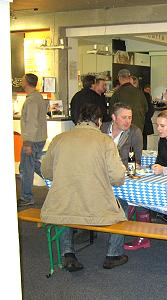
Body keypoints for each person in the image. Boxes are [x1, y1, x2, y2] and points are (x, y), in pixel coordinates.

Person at [40, 103, 129, 272]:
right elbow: (118, 178)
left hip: (62, 205)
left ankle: (68, 253)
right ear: (99, 121)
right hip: (96, 207)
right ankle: (113, 254)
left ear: (78, 120)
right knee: (123, 205)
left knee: (64, 204)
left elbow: (46, 172)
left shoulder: (59, 139)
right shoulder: (105, 141)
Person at [100, 103, 150, 251]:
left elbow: (136, 160)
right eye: (124, 117)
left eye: (130, 117)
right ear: (114, 117)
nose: (128, 121)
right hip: (99, 174)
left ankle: (138, 234)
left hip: (120, 176)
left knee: (135, 196)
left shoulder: (135, 132)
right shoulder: (101, 129)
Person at [17, 73, 48, 207]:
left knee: (26, 167)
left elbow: (31, 123)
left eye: (22, 80)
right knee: (33, 163)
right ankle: (54, 180)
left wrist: (27, 143)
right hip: (38, 138)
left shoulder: (31, 101)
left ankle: (26, 196)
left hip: (33, 139)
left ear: (26, 82)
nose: (21, 81)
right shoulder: (37, 98)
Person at [142, 84, 155, 150]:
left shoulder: (141, 95)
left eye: (149, 90)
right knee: (144, 140)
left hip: (142, 121)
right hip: (145, 122)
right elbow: (151, 110)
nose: (148, 91)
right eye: (147, 89)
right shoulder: (147, 96)